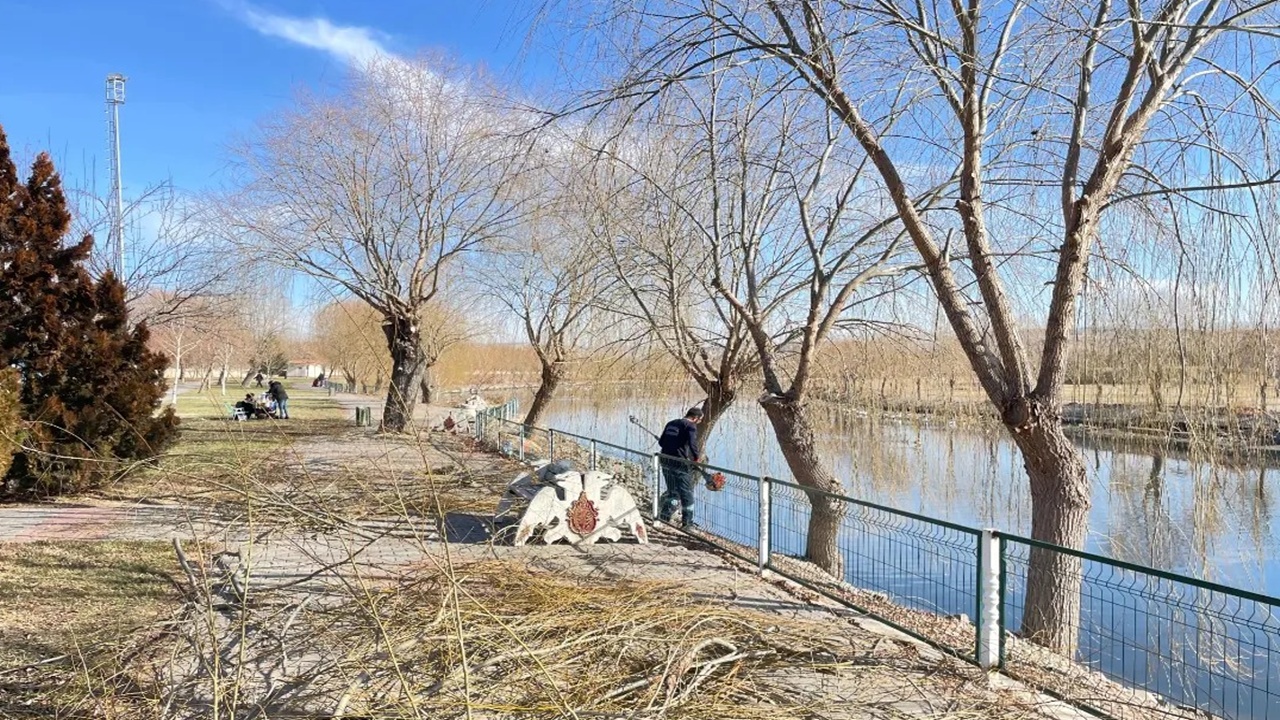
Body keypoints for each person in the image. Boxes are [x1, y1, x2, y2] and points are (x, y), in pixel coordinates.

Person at [657, 407, 704, 528]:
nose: (699, 423)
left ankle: (664, 517)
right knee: (686, 493)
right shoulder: (690, 426)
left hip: (665, 460)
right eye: (699, 420)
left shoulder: (671, 423)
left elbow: (661, 442)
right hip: (680, 463)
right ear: (695, 418)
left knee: (673, 492)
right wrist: (696, 458)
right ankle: (687, 523)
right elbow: (693, 443)